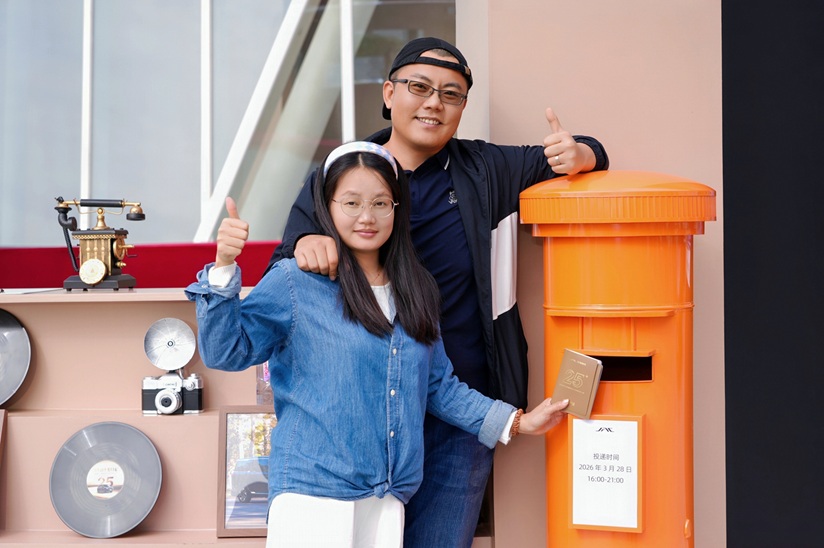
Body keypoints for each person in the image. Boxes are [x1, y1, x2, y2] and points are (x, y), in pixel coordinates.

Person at [265, 37, 609, 547]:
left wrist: (580, 153)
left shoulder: (485, 170)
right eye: (420, 87)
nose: (434, 103)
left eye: (451, 94)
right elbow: (281, 275)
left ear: (463, 107)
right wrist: (304, 243)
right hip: (361, 414)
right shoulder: (344, 173)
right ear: (389, 93)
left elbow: (590, 152)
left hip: (462, 410)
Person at [186, 142, 569, 547]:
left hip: (387, 497)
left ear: (397, 209)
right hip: (312, 495)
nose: (367, 217)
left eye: (381, 203)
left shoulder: (416, 289)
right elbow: (227, 351)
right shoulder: (296, 281)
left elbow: (439, 387)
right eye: (351, 203)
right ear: (327, 207)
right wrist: (224, 265)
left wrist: (517, 422)